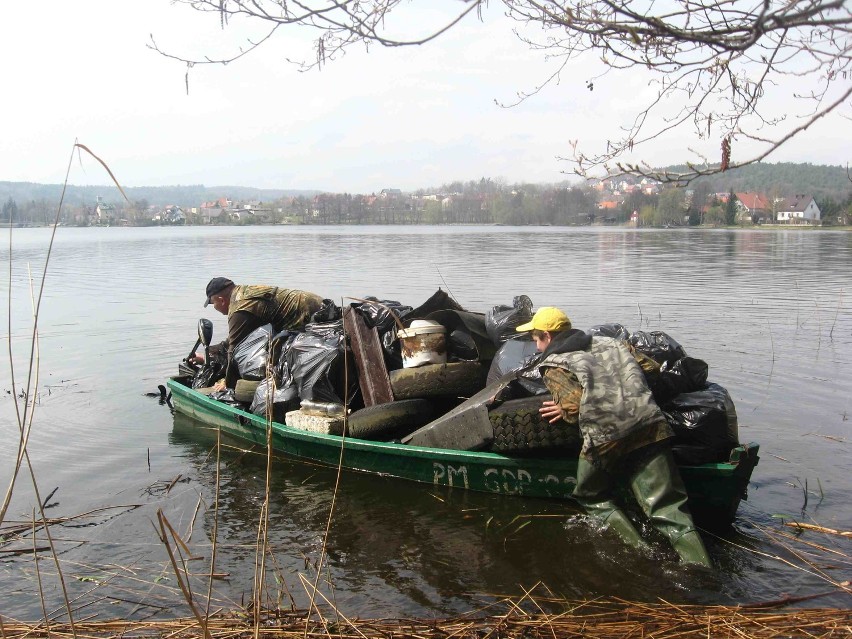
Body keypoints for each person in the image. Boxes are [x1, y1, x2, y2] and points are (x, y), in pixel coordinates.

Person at [515, 307, 711, 566]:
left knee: (590, 495)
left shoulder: (554, 365)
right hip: (650, 423)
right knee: (668, 508)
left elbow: (574, 412)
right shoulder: (613, 343)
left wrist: (562, 407)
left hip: (607, 438)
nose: (536, 346)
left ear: (548, 337)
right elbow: (651, 368)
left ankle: (640, 552)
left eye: (536, 339)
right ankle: (700, 567)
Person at [194, 277, 327, 390]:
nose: (214, 307)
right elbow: (234, 340)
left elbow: (233, 350)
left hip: (312, 316)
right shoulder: (244, 294)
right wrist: (209, 354)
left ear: (221, 300)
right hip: (320, 305)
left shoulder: (239, 308)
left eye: (213, 303)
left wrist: (228, 384)